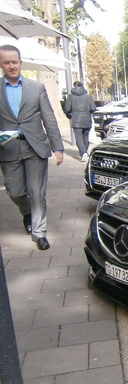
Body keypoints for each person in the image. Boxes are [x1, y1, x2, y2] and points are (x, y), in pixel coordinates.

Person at [0, 44, 64, 251]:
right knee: (15, 192)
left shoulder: (36, 88)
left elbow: (49, 118)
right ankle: (26, 211)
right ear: (1, 65)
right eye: (7, 62)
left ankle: (39, 232)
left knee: (37, 192)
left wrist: (58, 147)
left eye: (15, 62)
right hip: (8, 150)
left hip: (35, 147)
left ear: (20, 63)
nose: (12, 66)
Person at [65, 81, 96, 161]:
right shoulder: (88, 97)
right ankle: (85, 152)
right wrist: (88, 113)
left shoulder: (70, 97)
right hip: (86, 119)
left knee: (78, 137)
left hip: (76, 119)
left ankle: (83, 153)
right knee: (86, 136)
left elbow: (67, 109)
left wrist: (69, 115)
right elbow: (93, 108)